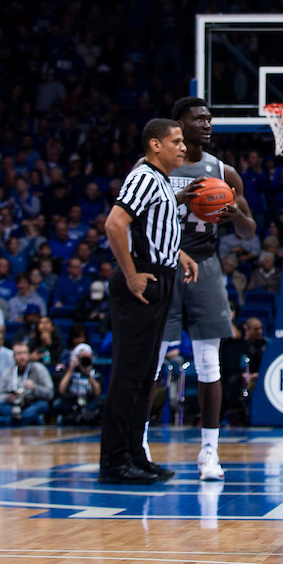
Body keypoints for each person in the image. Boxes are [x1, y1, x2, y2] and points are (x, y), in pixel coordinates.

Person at [155, 97, 256, 482]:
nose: (207, 124)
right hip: (166, 265)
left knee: (209, 361)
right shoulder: (159, 167)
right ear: (179, 123)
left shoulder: (222, 170)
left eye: (210, 119)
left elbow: (250, 231)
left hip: (207, 266)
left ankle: (209, 453)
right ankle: (142, 444)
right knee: (154, 359)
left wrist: (236, 216)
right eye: (199, 119)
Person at [99, 117, 198, 485]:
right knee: (128, 375)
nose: (183, 147)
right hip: (141, 281)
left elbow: (154, 224)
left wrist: (178, 255)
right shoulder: (144, 176)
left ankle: (135, 455)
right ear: (155, 145)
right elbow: (114, 224)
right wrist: (130, 274)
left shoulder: (160, 182)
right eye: (176, 141)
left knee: (143, 376)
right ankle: (114, 462)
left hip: (161, 275)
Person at [0, 342, 53, 426]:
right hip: (12, 406)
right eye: (18, 354)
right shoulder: (7, 372)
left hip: (31, 404)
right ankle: (23, 420)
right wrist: (7, 397)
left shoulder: (39, 369)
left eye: (24, 353)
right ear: (13, 356)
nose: (22, 357)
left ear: (29, 354)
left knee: (43, 405)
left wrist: (35, 388)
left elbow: (50, 393)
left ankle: (14, 421)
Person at [54, 342, 103, 425]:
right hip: (73, 401)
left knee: (101, 401)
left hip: (88, 402)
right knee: (58, 403)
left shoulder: (95, 373)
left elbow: (97, 393)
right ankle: (74, 416)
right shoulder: (71, 372)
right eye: (82, 358)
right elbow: (61, 390)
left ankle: (85, 416)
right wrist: (71, 370)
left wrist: (88, 375)